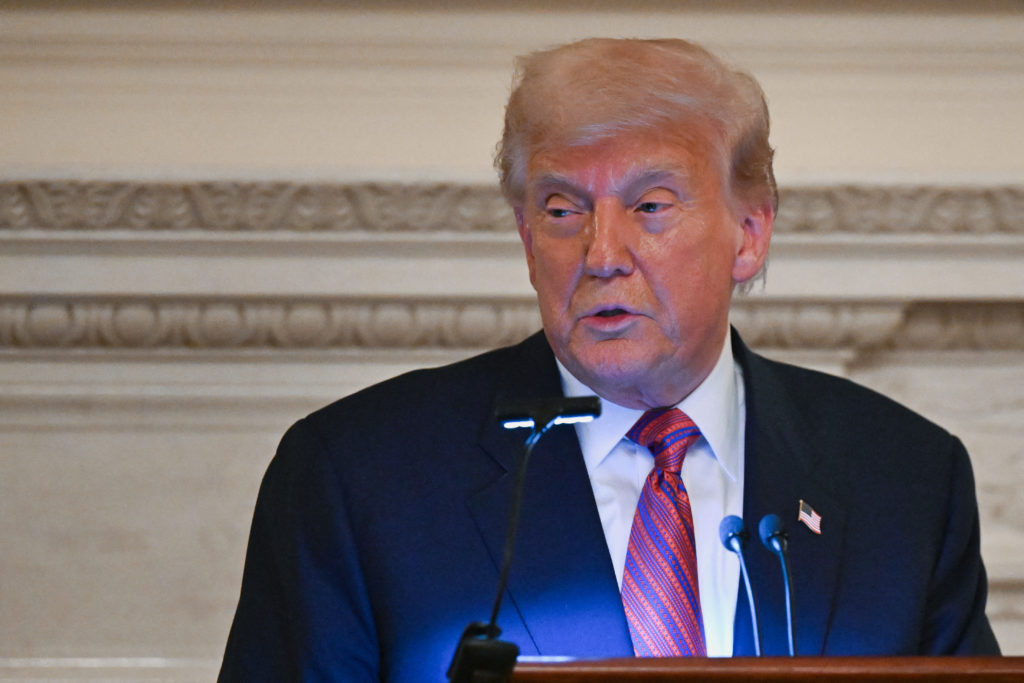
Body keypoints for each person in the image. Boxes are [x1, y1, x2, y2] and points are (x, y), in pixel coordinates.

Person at [218, 38, 999, 682]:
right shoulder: (358, 475)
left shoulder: (905, 480)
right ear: (528, 242)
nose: (601, 253)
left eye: (651, 205)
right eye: (563, 210)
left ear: (750, 232)